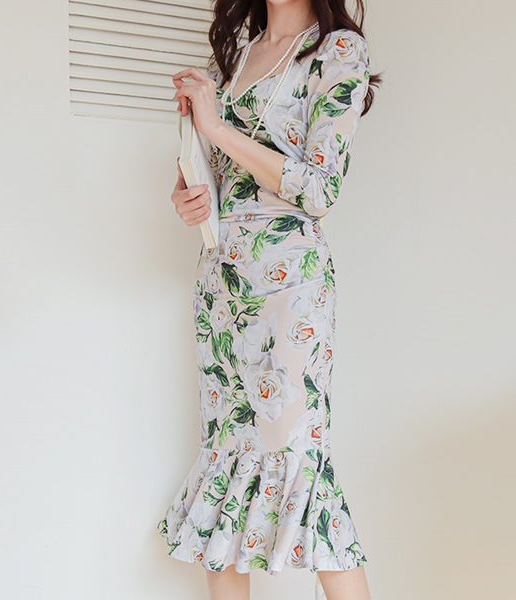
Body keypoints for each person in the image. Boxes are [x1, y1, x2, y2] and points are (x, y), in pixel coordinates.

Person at [158, 1, 382, 599]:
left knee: (299, 460)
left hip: (289, 286)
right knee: (226, 459)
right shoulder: (236, 57)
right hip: (220, 279)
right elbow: (222, 171)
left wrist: (216, 127)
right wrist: (191, 192)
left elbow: (320, 189)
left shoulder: (338, 51)